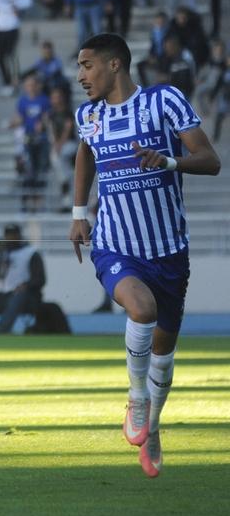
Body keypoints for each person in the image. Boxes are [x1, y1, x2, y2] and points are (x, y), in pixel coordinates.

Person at [69, 33, 221, 478]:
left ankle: (152, 427)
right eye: (79, 67)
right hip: (116, 243)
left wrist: (170, 162)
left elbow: (210, 160)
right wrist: (80, 213)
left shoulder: (164, 101)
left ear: (115, 65)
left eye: (87, 65)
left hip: (169, 249)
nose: (80, 76)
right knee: (142, 308)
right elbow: (85, 153)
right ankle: (136, 398)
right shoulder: (89, 115)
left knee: (164, 353)